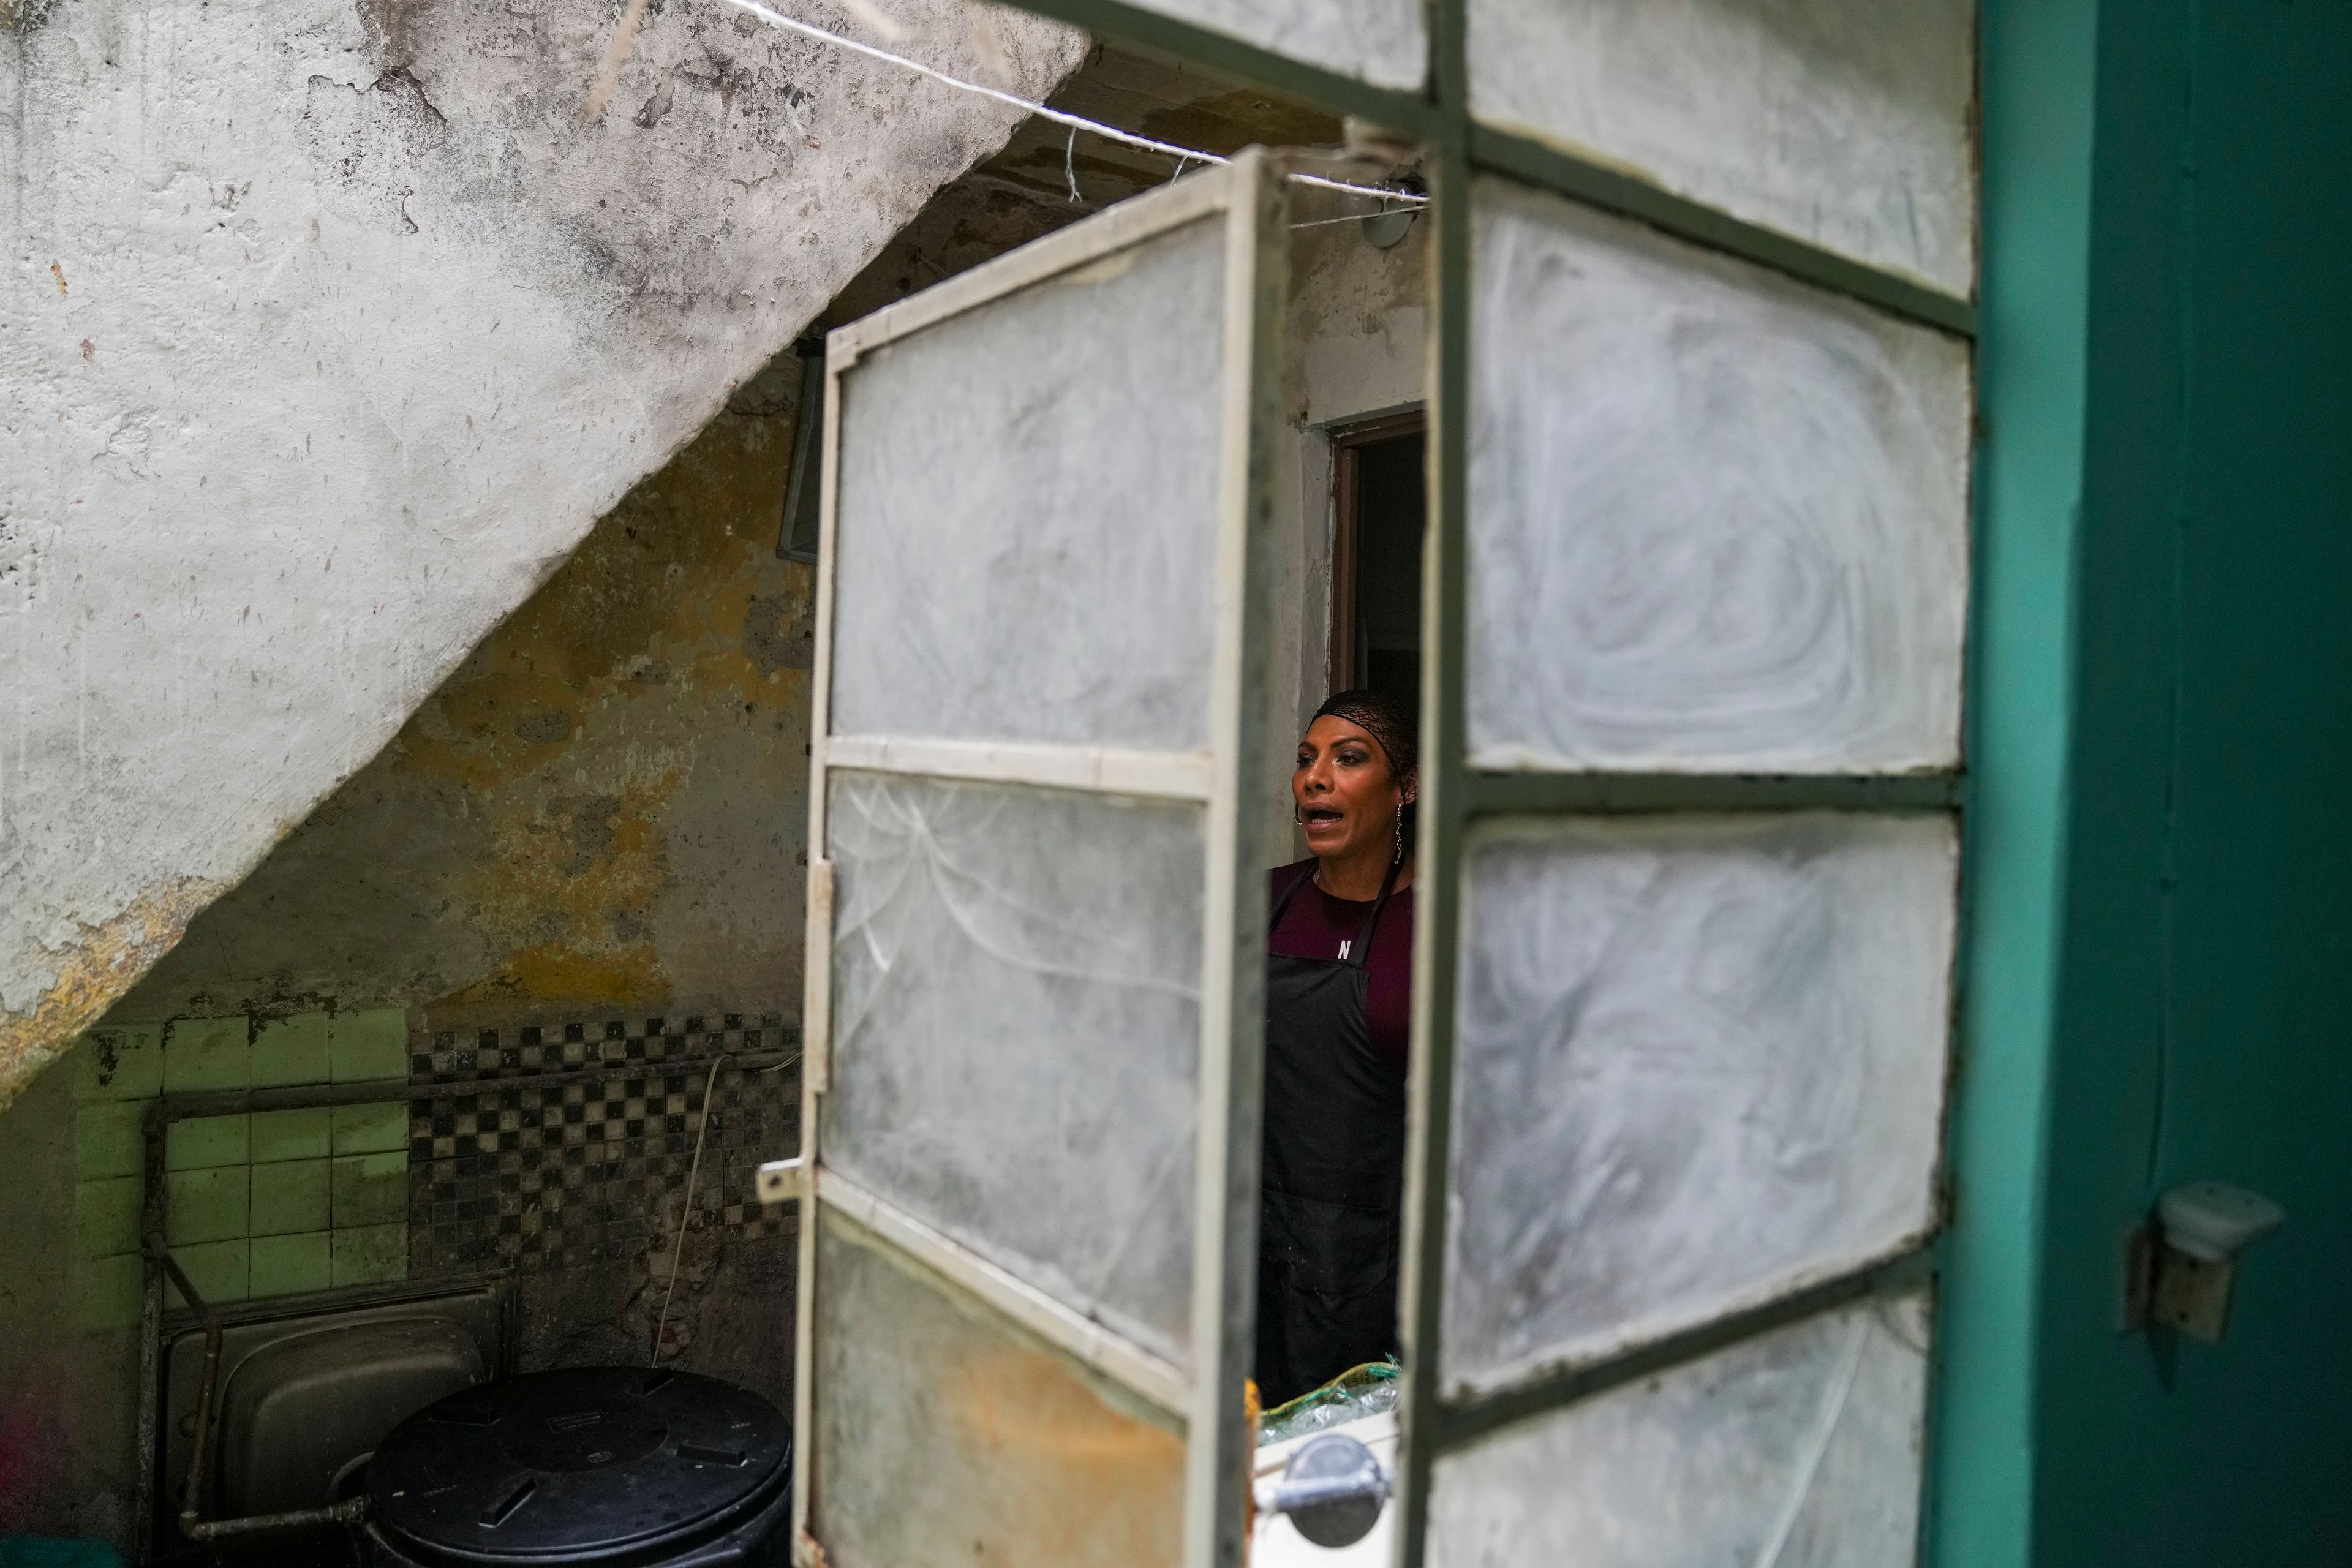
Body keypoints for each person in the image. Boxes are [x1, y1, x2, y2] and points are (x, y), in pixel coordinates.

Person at [1256, 687, 1417, 1408]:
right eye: (1305, 760)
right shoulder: (1258, 903)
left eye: (1348, 759)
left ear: (1405, 789)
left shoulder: (1440, 926)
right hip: (1252, 1258)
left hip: (1376, 1281)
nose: (1314, 778)